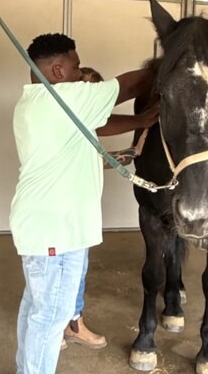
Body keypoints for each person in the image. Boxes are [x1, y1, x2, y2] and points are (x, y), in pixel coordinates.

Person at [10, 33, 153, 374]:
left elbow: (102, 123)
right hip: (55, 229)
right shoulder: (63, 98)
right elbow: (126, 87)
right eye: (75, 66)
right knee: (50, 318)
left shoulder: (42, 102)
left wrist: (143, 122)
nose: (79, 72)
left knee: (34, 310)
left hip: (49, 226)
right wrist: (174, 57)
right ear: (58, 71)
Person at [64, 67, 158, 351]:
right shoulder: (70, 119)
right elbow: (105, 154)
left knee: (77, 269)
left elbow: (104, 153)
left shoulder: (81, 123)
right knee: (67, 271)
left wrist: (137, 143)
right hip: (67, 210)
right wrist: (139, 128)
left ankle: (73, 323)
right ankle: (64, 328)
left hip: (78, 210)